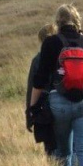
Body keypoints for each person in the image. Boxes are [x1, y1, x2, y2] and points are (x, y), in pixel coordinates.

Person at [29, 4, 83, 166]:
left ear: (58, 21)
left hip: (59, 105)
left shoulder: (50, 43)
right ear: (77, 20)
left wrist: (32, 108)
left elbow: (39, 81)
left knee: (63, 151)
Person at [25, 22, 58, 156]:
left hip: (45, 110)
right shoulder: (64, 53)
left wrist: (29, 116)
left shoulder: (37, 60)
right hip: (66, 104)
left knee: (50, 149)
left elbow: (31, 89)